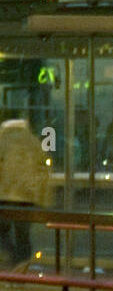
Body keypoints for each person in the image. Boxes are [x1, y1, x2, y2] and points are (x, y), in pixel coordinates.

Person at [0, 113, 52, 267]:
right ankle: (21, 266)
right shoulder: (34, 141)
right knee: (23, 236)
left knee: (2, 231)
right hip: (28, 198)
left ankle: (12, 260)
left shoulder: (2, 141)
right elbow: (43, 170)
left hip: (5, 196)